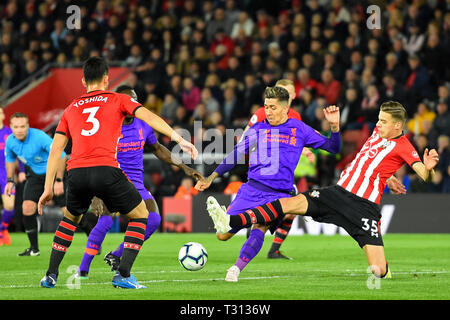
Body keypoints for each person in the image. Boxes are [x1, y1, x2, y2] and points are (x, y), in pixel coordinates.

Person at [207, 101, 439, 280]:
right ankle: (231, 220)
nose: (378, 124)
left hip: (363, 208)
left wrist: (428, 169)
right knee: (289, 203)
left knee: (377, 271)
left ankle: (385, 270)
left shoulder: (404, 145)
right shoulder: (377, 133)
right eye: (378, 119)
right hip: (337, 194)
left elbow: (423, 173)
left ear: (397, 125)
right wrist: (386, 177)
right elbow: (371, 162)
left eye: (383, 121)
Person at [38, 57, 197, 289]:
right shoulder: (118, 99)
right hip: (105, 169)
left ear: (83, 81)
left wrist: (47, 188)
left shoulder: (71, 108)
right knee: (142, 215)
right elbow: (149, 116)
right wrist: (179, 138)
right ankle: (122, 274)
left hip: (77, 172)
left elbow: (56, 150)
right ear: (106, 79)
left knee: (70, 219)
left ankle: (50, 275)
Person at [195, 86, 341, 282]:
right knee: (223, 235)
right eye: (265, 107)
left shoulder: (299, 129)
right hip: (251, 188)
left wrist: (334, 127)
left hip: (278, 194)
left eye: (272, 107)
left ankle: (235, 269)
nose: (268, 111)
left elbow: (333, 147)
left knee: (260, 226)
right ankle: (228, 222)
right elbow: (236, 155)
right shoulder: (258, 129)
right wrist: (212, 176)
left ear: (284, 109)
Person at [76, 85, 203, 278]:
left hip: (135, 184)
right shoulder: (104, 125)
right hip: (110, 180)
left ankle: (117, 255)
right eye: (127, 101)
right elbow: (91, 156)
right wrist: (95, 192)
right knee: (105, 221)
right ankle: (83, 270)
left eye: (134, 101)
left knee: (154, 219)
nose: (130, 105)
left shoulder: (144, 124)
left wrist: (185, 167)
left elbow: (158, 149)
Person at [243, 79, 315, 259]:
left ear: (293, 95)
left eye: (288, 92)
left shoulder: (296, 117)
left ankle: (274, 249)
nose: (285, 94)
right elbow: (245, 137)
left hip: (284, 174)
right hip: (263, 172)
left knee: (291, 210)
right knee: (278, 208)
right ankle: (253, 225)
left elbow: (295, 139)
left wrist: (305, 150)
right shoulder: (262, 113)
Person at [4, 112, 67, 256]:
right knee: (27, 208)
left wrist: (58, 180)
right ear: (11, 128)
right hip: (35, 176)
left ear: (28, 126)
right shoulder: (10, 142)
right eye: (16, 127)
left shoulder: (39, 137)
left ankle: (93, 239)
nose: (19, 129)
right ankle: (34, 249)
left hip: (54, 173)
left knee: (69, 212)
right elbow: (10, 160)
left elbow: (61, 156)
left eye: (22, 126)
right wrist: (10, 180)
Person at [0, 107, 26, 247]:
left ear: (3, 115)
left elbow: (19, 153)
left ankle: (3, 228)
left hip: (5, 173)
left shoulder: (9, 133)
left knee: (9, 206)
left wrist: (21, 171)